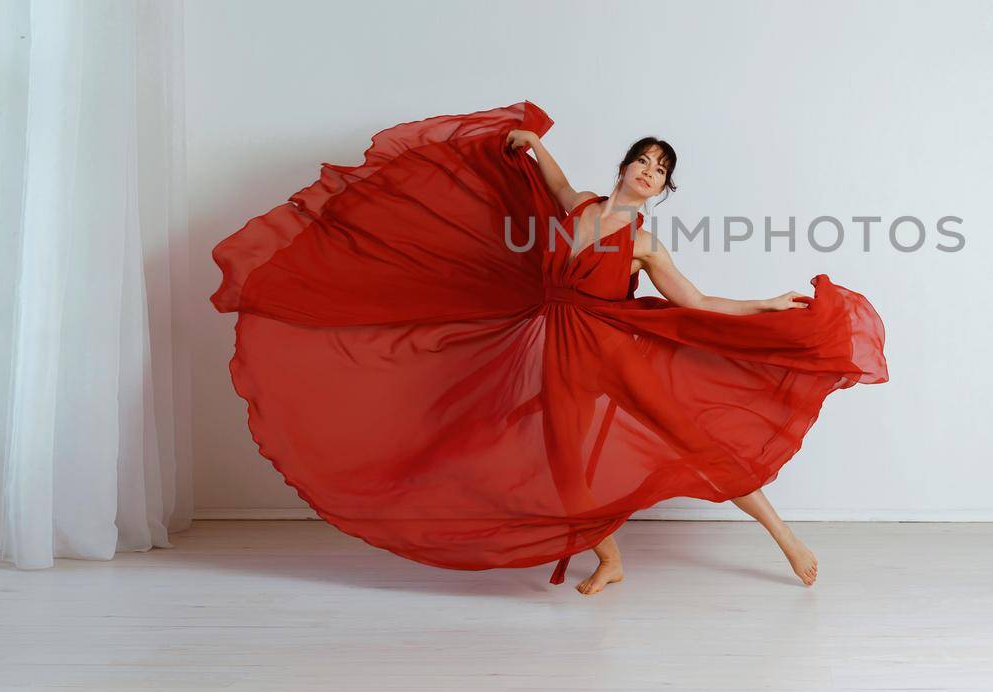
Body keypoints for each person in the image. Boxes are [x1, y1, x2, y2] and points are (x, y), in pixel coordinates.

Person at [210, 100, 888, 595]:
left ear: (666, 187)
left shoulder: (644, 243)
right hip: (558, 354)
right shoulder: (580, 207)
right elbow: (558, 183)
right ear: (624, 166)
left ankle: (789, 542)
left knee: (704, 446)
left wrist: (765, 303)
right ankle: (611, 559)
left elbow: (696, 303)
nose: (649, 172)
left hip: (619, 354)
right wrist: (533, 144)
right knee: (566, 464)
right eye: (644, 160)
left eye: (662, 169)